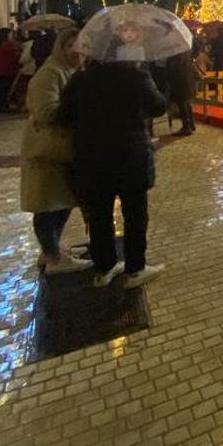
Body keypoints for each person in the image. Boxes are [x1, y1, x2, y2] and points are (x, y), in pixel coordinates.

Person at [62, 53, 168, 289]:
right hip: (130, 158)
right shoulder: (136, 77)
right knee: (135, 215)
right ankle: (135, 268)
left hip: (92, 158)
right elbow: (159, 106)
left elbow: (64, 115)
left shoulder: (80, 80)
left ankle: (104, 267)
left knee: (99, 215)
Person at [20, 29, 91, 274]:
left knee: (61, 202)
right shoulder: (49, 74)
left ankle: (53, 249)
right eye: (71, 45)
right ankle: (53, 257)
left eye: (80, 45)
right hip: (47, 150)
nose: (77, 50)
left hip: (62, 149)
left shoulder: (72, 72)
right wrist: (79, 107)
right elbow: (46, 112)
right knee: (47, 205)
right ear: (61, 47)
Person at [165, 48, 198, 136]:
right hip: (186, 77)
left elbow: (173, 65)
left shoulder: (176, 50)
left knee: (182, 103)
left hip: (179, 79)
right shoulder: (185, 48)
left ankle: (186, 126)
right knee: (186, 102)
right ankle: (191, 124)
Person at [0, 28, 20, 112]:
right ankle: (3, 106)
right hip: (8, 70)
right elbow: (15, 56)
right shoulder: (9, 45)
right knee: (5, 90)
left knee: (0, 90)